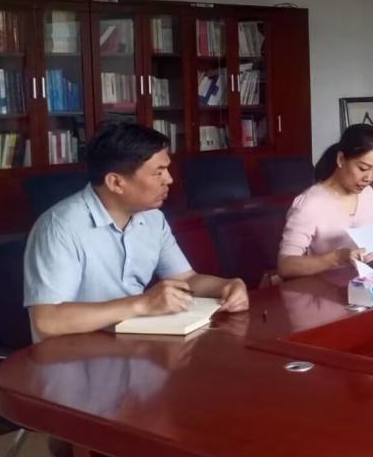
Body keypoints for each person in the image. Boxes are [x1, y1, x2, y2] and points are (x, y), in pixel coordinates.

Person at [24, 122, 248, 339]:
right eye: (158, 172)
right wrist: (142, 304)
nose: (169, 179)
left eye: (167, 169)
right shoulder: (59, 227)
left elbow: (185, 279)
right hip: (73, 354)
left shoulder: (153, 218)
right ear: (116, 183)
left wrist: (227, 285)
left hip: (131, 344)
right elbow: (47, 321)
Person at [277, 124, 373, 279]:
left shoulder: (367, 193)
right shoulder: (310, 203)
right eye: (363, 168)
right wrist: (337, 257)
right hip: (321, 288)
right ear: (341, 159)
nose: (369, 178)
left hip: (363, 284)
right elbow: (286, 266)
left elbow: (368, 242)